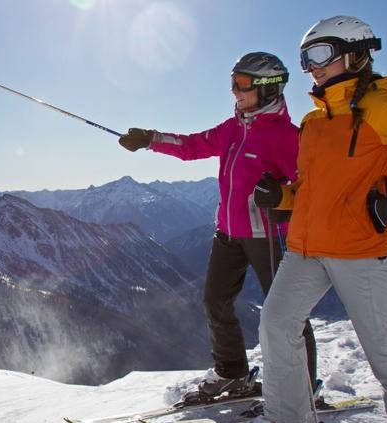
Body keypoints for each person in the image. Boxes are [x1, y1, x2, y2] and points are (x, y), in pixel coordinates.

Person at [252, 16, 387, 423]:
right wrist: (281, 195)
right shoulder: (315, 122)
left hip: (359, 252)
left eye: (321, 54)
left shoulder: (381, 107)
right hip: (304, 249)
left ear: (355, 54)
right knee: (276, 326)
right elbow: (311, 188)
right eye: (306, 58)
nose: (312, 66)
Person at [118, 52, 317, 398]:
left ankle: (303, 388)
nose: (234, 92)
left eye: (242, 85)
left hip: (268, 237)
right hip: (227, 232)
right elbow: (193, 146)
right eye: (232, 84)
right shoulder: (233, 128)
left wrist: (284, 196)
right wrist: (151, 139)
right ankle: (232, 373)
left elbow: (309, 188)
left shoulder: (286, 137)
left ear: (269, 88)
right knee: (215, 302)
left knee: (287, 313)